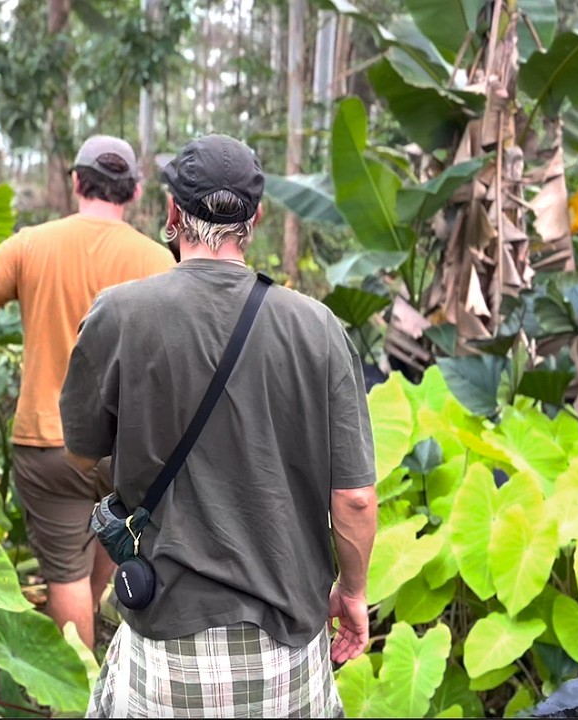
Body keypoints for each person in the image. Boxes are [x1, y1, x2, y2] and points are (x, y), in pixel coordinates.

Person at [59, 134, 378, 717]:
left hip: (165, 644)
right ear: (254, 218)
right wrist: (352, 594)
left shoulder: (119, 314)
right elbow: (355, 498)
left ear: (174, 212)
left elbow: (82, 452)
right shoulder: (319, 329)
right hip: (288, 651)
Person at [0, 135, 176, 648]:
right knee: (110, 545)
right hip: (128, 450)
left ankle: (74, 696)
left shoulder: (30, 244)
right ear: (134, 193)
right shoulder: (160, 261)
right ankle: (93, 678)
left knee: (66, 578)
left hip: (49, 442)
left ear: (75, 183)